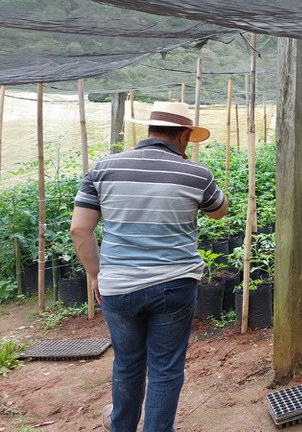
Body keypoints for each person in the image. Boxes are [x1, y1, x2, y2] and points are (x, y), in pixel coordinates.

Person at [70, 101, 228, 432]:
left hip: (119, 287)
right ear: (184, 135)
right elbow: (219, 210)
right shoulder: (195, 173)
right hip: (174, 284)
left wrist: (97, 274)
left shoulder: (104, 168)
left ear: (149, 130)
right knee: (166, 368)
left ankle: (121, 426)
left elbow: (80, 229)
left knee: (127, 364)